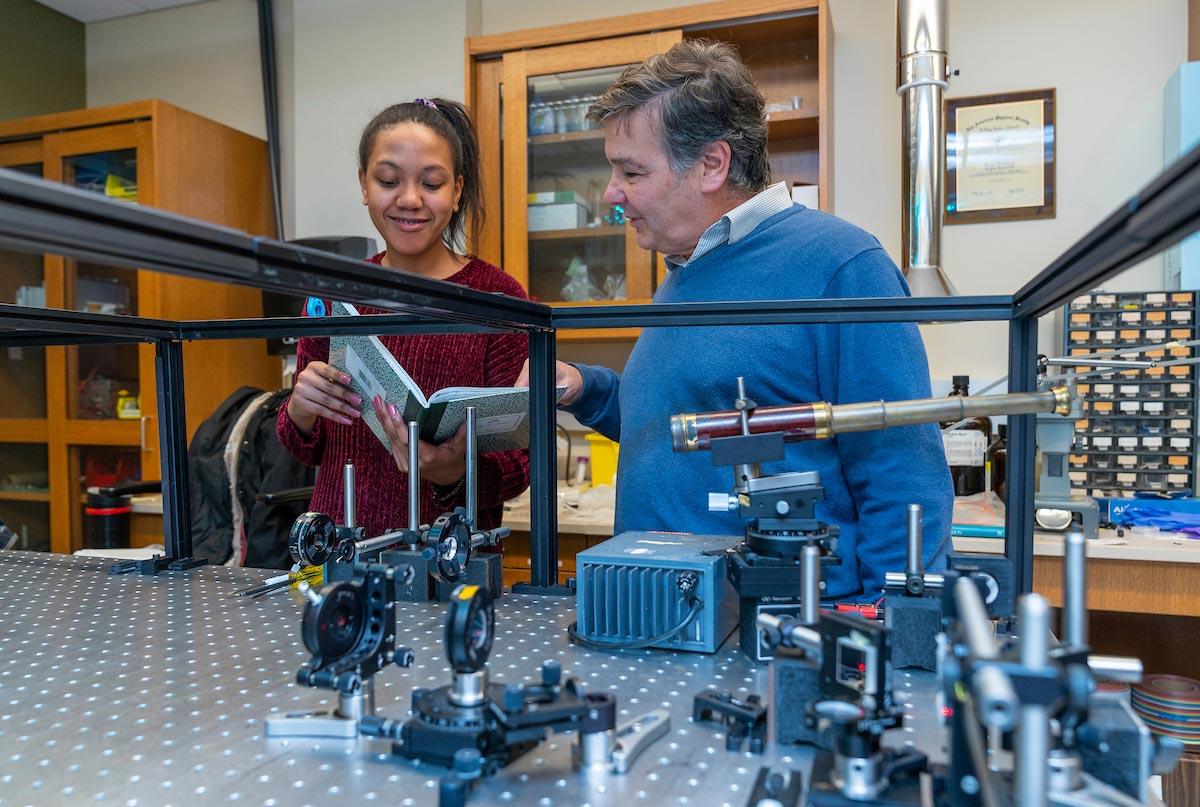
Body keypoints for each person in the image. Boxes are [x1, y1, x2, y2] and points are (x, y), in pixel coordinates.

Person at [518, 41, 952, 600]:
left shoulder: (841, 265)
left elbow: (903, 474)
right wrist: (589, 389)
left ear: (711, 164)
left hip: (778, 631)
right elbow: (697, 430)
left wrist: (890, 630)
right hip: (668, 615)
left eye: (631, 171)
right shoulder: (685, 271)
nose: (612, 193)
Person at [277, 98, 530, 538]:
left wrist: (450, 473)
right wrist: (299, 408)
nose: (410, 200)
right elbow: (307, 447)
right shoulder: (333, 295)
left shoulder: (499, 298)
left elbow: (521, 464)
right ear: (364, 184)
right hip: (339, 551)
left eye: (431, 183)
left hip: (449, 564)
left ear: (456, 191)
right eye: (389, 180)